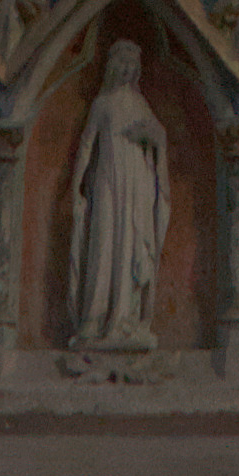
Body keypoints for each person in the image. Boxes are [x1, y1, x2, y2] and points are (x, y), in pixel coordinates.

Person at [68, 37, 168, 356]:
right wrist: (75, 189)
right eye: (122, 63)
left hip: (136, 181)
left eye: (132, 65)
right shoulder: (102, 104)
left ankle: (125, 319)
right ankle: (95, 321)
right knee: (104, 245)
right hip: (108, 181)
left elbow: (159, 136)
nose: (127, 70)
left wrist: (154, 138)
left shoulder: (141, 104)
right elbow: (86, 145)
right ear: (112, 66)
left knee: (131, 246)